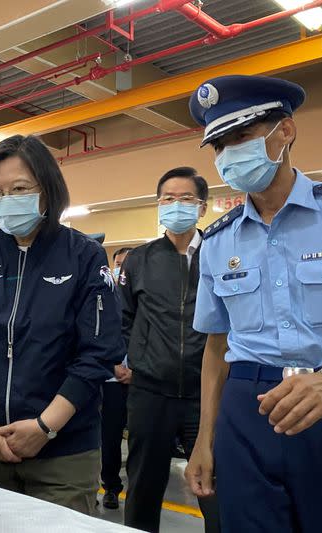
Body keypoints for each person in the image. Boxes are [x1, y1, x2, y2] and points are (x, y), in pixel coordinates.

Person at [185, 75, 322, 533]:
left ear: (284, 131)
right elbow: (217, 344)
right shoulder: (216, 240)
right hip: (246, 410)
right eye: (219, 146)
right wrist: (204, 437)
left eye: (242, 138)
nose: (229, 155)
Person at [0, 135, 125, 515]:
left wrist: (45, 426)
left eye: (20, 188)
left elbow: (98, 352)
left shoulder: (84, 256)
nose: (7, 199)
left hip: (63, 452)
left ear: (47, 189)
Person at [118, 167, 219, 533]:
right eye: (168, 199)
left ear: (202, 207)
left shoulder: (219, 253)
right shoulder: (140, 259)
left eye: (186, 199)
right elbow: (123, 316)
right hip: (150, 392)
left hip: (205, 393)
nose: (176, 205)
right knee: (143, 487)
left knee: (214, 488)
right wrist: (127, 359)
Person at [100, 246, 133, 510]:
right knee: (109, 438)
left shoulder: (144, 295)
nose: (122, 269)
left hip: (140, 378)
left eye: (127, 264)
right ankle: (111, 487)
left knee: (140, 438)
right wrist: (110, 367)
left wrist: (137, 370)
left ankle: (139, 486)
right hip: (110, 379)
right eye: (118, 264)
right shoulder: (103, 293)